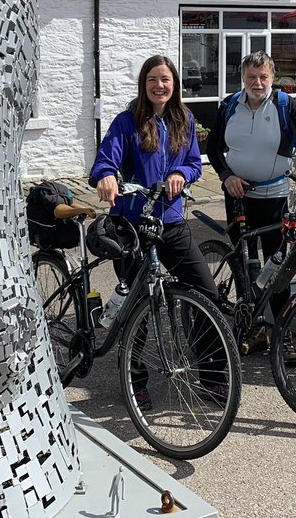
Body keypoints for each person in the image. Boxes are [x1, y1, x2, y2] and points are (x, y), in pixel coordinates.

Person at [89, 54, 225, 407]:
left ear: (174, 84)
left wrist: (183, 173)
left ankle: (212, 377)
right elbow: (106, 159)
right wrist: (105, 175)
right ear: (144, 84)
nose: (159, 85)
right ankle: (136, 382)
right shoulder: (127, 121)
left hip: (171, 221)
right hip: (132, 226)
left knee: (206, 295)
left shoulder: (185, 120)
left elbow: (194, 162)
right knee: (137, 307)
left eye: (165, 79)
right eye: (152, 79)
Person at [206, 51, 296, 365]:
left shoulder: (285, 106)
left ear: (272, 77)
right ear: (243, 78)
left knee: (278, 271)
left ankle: (283, 338)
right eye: (251, 77)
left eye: (263, 77)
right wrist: (226, 175)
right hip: (238, 197)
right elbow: (213, 148)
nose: (257, 83)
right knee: (245, 266)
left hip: (273, 197)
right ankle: (253, 329)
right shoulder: (229, 106)